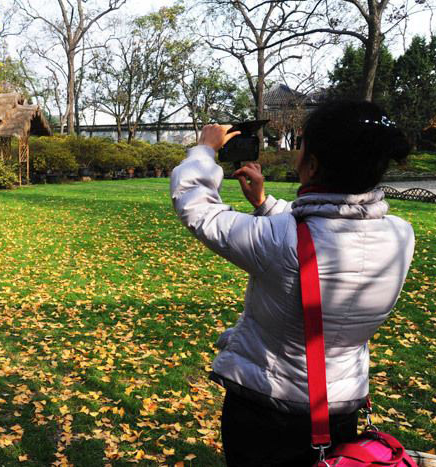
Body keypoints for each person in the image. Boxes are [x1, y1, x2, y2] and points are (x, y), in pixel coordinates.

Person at [169, 101, 415, 466]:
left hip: (267, 413)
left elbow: (199, 209)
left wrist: (204, 150)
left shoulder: (278, 239)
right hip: (341, 407)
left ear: (312, 164)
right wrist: (266, 203)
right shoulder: (400, 235)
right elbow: (333, 226)